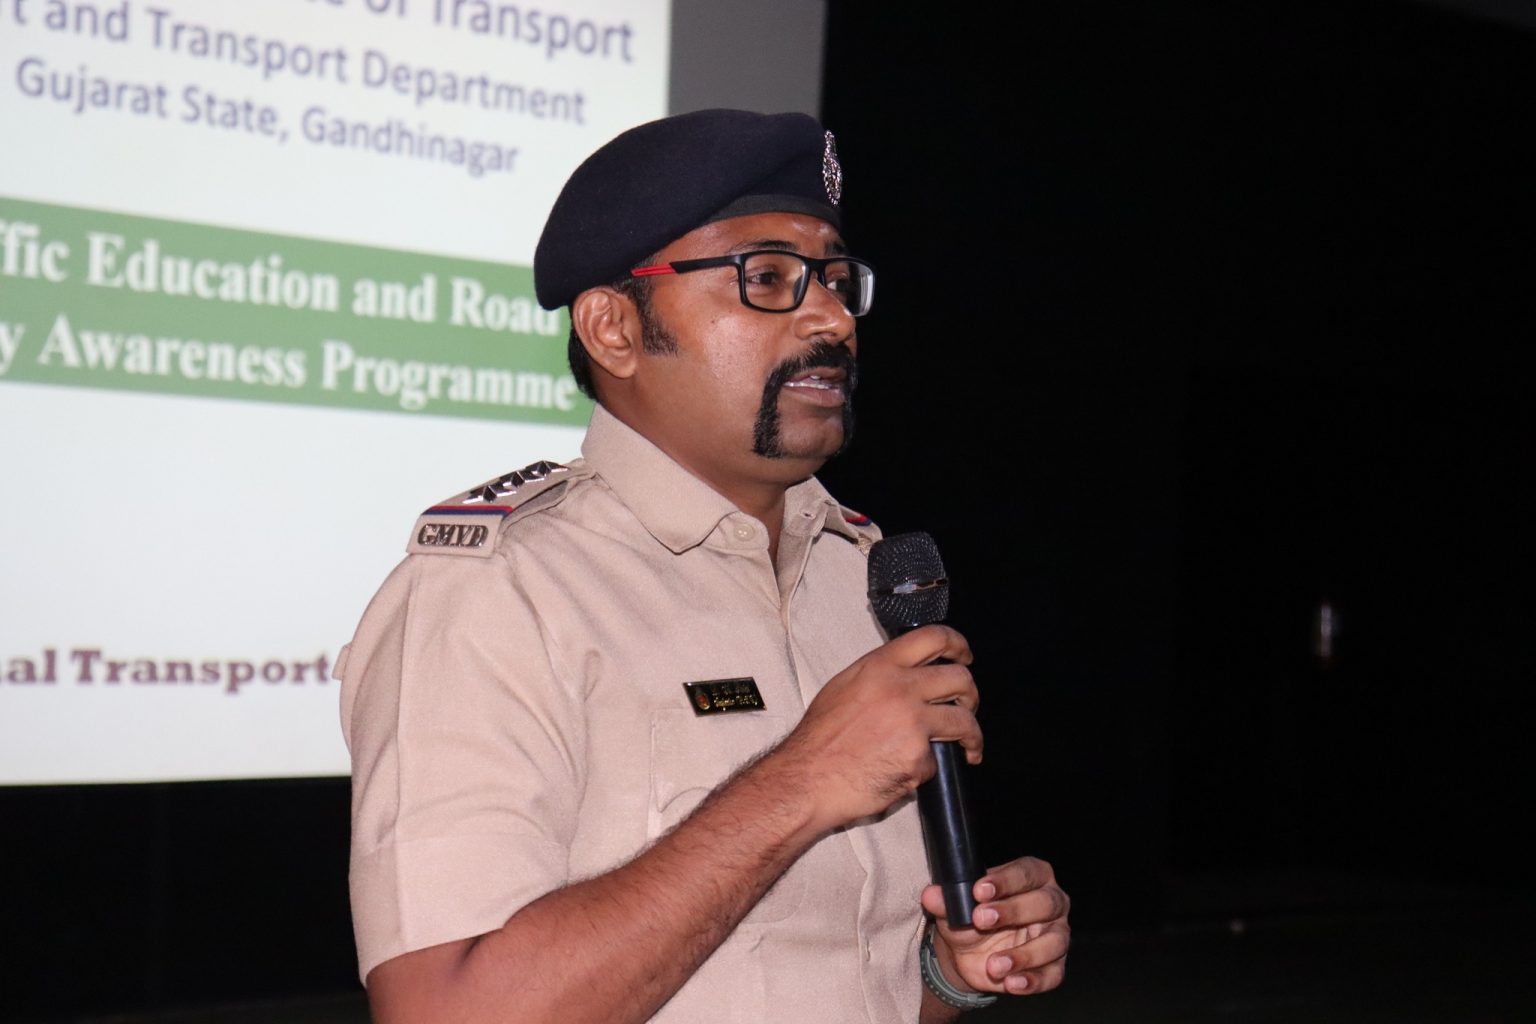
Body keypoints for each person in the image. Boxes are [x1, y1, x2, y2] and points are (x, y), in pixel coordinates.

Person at [337, 108, 1070, 1024]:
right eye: (766, 277)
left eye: (837, 279)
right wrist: (801, 782)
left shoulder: (864, 576)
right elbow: (444, 1011)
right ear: (614, 329)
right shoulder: (497, 594)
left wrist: (947, 972)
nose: (831, 317)